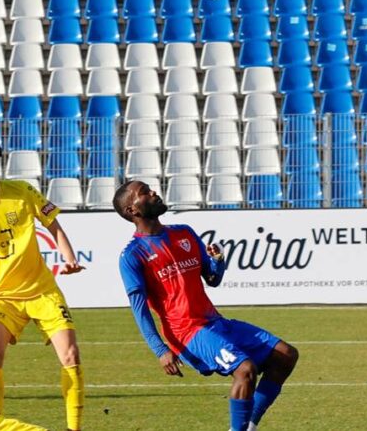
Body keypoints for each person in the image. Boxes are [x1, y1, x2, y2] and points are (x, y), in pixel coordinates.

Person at [113, 180, 299, 431]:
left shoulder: (185, 233)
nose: (154, 192)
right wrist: (160, 349)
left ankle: (249, 426)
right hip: (186, 332)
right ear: (132, 210)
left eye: (151, 188)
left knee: (285, 355)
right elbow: (139, 308)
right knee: (245, 369)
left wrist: (218, 260)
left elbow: (213, 278)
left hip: (215, 322)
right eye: (144, 193)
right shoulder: (133, 255)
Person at [0, 137, 85, 430]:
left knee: (71, 355)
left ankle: (75, 428)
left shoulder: (22, 192)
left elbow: (53, 226)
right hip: (3, 296)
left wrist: (69, 258)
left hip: (42, 290)